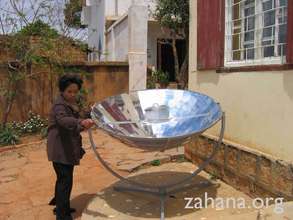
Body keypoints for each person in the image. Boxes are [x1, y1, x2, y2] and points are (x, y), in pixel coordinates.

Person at [47, 74, 95, 220]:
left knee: (64, 180)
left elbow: (74, 121)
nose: (73, 94)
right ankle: (62, 215)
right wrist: (80, 123)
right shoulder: (59, 106)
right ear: (62, 91)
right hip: (60, 150)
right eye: (69, 92)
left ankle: (62, 207)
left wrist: (86, 119)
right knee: (64, 181)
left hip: (66, 149)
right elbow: (63, 121)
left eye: (75, 91)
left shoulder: (70, 103)